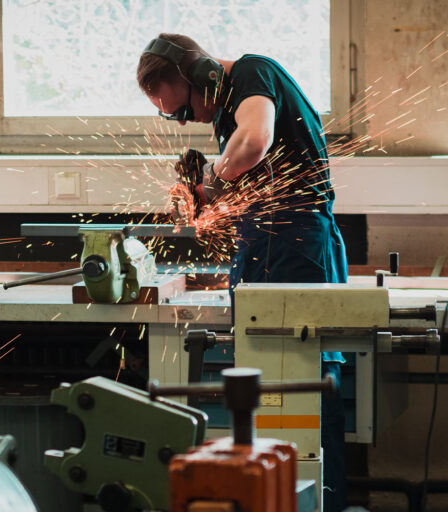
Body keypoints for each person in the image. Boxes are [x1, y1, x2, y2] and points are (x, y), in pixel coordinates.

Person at [137, 33, 349, 512]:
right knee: (271, 402)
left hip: (294, 251)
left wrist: (210, 179)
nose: (186, 120)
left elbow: (254, 142)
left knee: (304, 401)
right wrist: (199, 194)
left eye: (184, 111)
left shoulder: (253, 74)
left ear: (205, 75)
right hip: (270, 248)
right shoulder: (231, 109)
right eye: (174, 117)